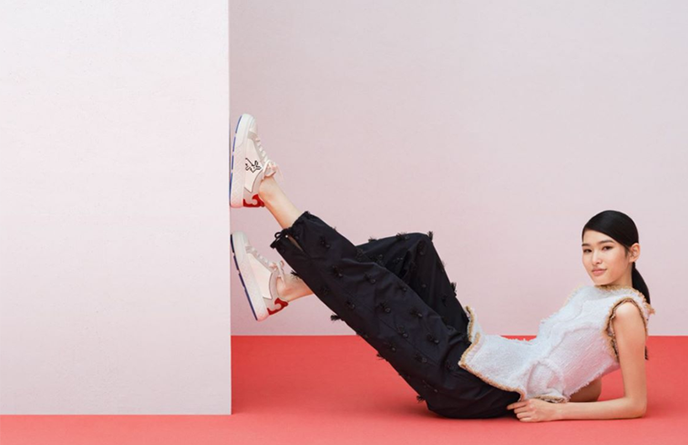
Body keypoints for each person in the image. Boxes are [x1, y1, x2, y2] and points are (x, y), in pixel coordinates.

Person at [228, 113, 655, 422]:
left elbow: (635, 404)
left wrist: (554, 411)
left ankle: (266, 190)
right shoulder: (592, 296)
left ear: (632, 252)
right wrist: (561, 385)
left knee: (383, 293)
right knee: (414, 250)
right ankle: (285, 289)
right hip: (485, 357)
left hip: (475, 387)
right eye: (587, 249)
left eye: (606, 249)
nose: (595, 259)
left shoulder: (626, 312)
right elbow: (591, 383)